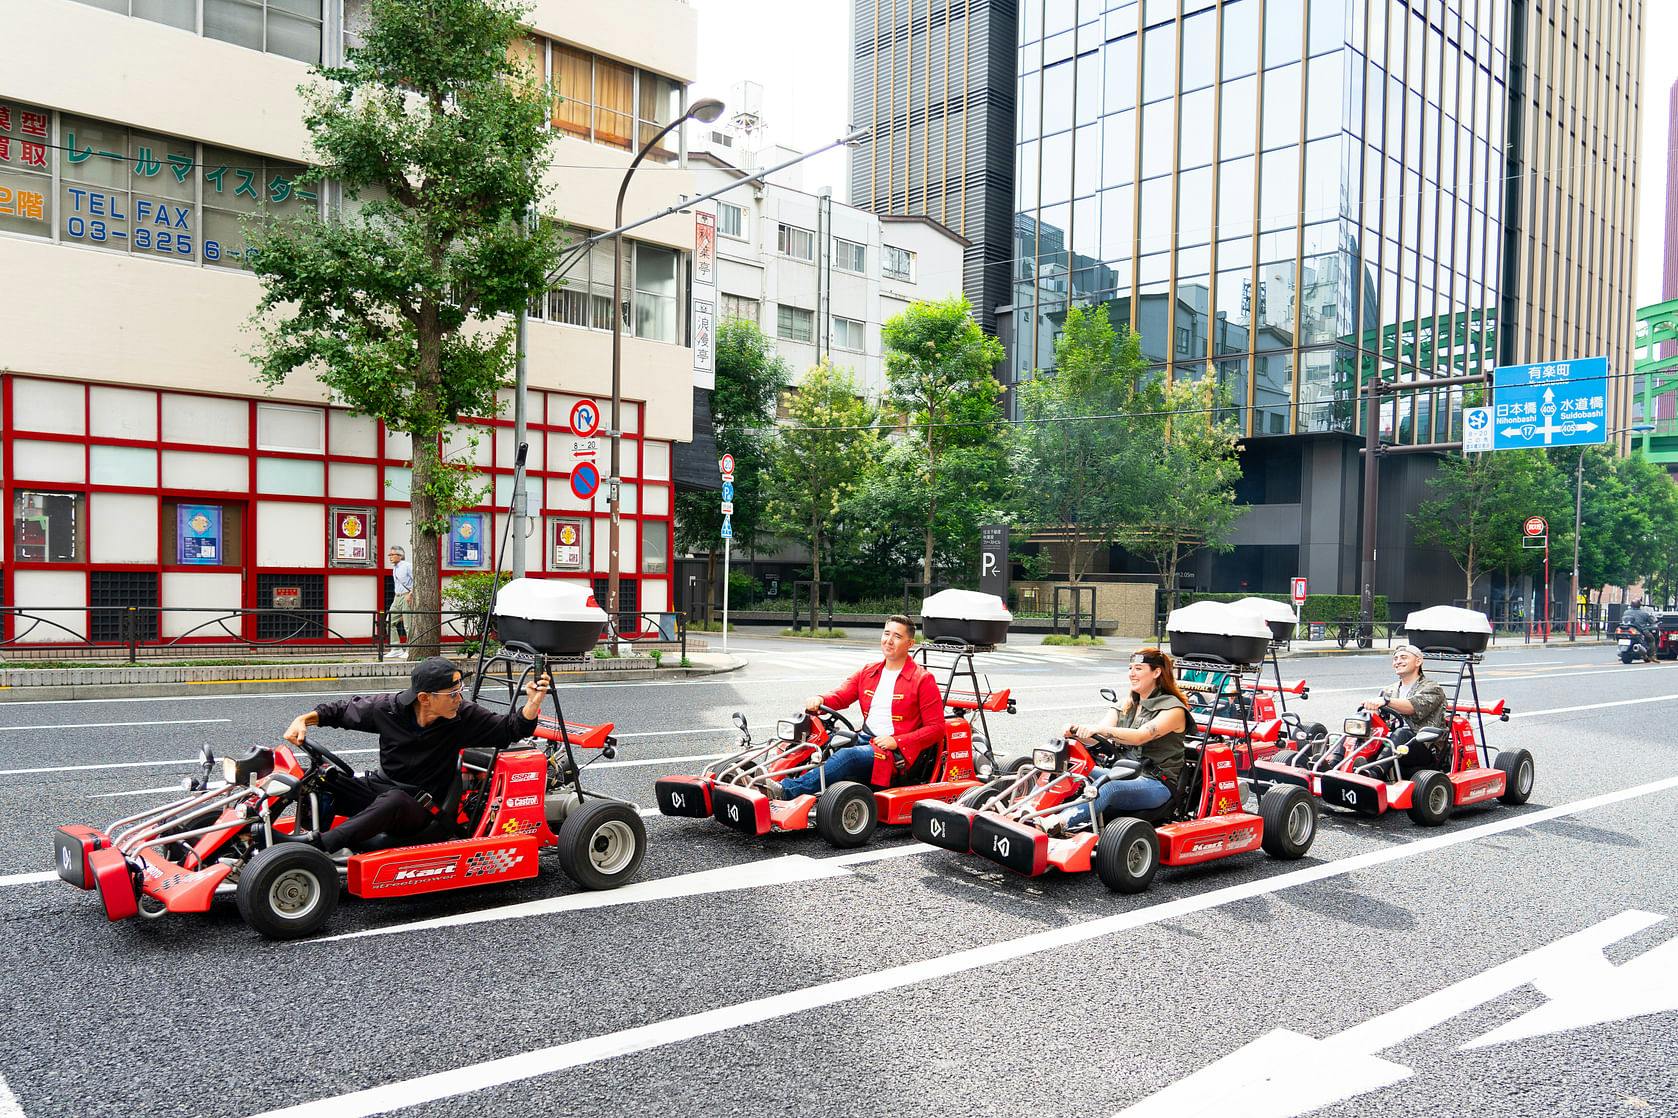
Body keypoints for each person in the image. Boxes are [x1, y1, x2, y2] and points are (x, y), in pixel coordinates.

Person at [280, 656, 551, 852]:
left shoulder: (463, 716)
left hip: (424, 807)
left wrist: (532, 703)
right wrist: (302, 719)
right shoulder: (387, 709)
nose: (459, 698)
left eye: (460, 690)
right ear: (424, 698)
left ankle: (316, 847)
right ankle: (276, 830)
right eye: (452, 692)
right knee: (320, 777)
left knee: (394, 800)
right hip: (383, 789)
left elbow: (510, 730)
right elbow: (338, 711)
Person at [765, 615, 944, 799]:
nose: (889, 641)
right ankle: (765, 776)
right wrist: (820, 699)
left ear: (910, 643)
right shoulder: (869, 671)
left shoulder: (922, 679)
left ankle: (786, 790)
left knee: (847, 757)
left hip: (894, 753)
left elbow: (936, 729)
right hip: (864, 738)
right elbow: (841, 695)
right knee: (816, 742)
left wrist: (897, 742)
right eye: (886, 633)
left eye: (897, 637)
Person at [1055, 648, 1192, 831]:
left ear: (1156, 672)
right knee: (1067, 769)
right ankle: (1026, 812)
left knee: (1107, 788)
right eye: (1130, 668)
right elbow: (1097, 739)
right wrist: (1077, 732)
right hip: (1122, 773)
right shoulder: (1126, 704)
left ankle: (1058, 823)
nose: (1131, 674)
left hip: (1156, 783)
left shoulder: (1174, 710)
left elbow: (1140, 737)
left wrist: (1099, 729)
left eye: (1138, 668)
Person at [1360, 643, 1449, 772]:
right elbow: (1380, 717)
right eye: (1395, 659)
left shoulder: (1432, 688)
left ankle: (1374, 772)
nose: (1398, 661)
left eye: (1403, 657)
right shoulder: (1388, 690)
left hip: (1424, 745)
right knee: (1359, 724)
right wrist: (1371, 711)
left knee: (1401, 733)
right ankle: (1334, 763)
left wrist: (1385, 701)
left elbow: (1412, 707)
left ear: (1418, 661)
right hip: (1391, 740)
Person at [386, 545, 414, 660]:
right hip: (397, 597)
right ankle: (396, 648)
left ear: (400, 555)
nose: (390, 557)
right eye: (390, 555)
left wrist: (411, 593)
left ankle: (410, 649)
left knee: (408, 625)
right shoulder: (395, 568)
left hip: (407, 596)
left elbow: (417, 580)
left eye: (392, 555)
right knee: (389, 621)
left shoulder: (407, 566)